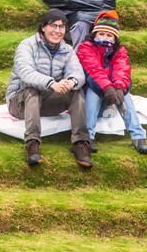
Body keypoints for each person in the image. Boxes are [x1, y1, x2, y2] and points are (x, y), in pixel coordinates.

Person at [7, 9, 87, 168]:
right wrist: (51, 83)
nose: (57, 31)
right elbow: (26, 73)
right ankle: (32, 143)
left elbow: (78, 72)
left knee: (76, 91)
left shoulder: (67, 49)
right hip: (20, 103)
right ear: (43, 27)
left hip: (47, 101)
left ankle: (80, 143)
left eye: (61, 26)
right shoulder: (27, 45)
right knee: (32, 91)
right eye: (53, 25)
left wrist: (71, 82)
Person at [75, 10, 147, 155]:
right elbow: (94, 70)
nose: (105, 37)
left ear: (115, 38)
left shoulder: (119, 50)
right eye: (101, 34)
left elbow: (122, 69)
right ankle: (88, 136)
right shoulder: (85, 47)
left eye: (109, 35)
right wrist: (108, 88)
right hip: (91, 92)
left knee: (125, 96)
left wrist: (119, 88)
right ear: (94, 34)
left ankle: (138, 136)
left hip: (112, 95)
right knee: (93, 91)